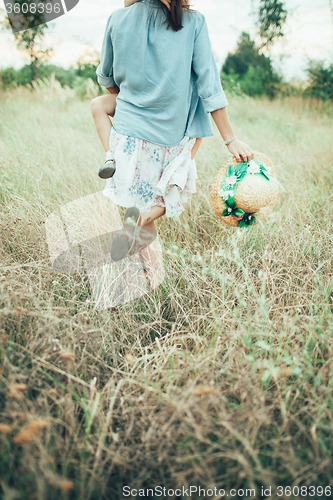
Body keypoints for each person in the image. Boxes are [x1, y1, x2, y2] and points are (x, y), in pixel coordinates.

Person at [94, 0, 254, 260]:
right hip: (172, 138)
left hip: (127, 135)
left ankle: (148, 280)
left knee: (142, 218)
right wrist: (230, 139)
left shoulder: (117, 18)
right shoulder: (193, 22)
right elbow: (209, 85)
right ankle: (150, 281)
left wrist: (134, 102)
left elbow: (106, 76)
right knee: (156, 206)